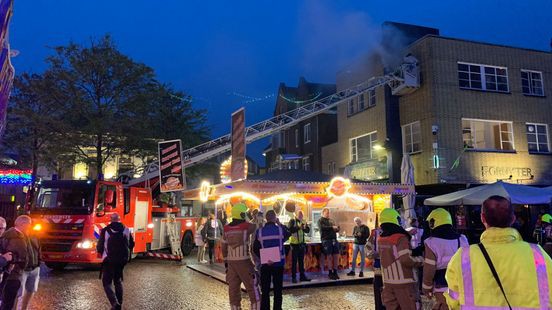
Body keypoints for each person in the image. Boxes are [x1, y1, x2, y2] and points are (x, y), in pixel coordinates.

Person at [445, 195, 552, 309]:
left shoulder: (463, 257)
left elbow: (453, 302)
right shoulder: (538, 254)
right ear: (513, 219)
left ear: (482, 218)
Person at [377, 208, 424, 310]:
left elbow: (392, 255)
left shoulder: (381, 239)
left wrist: (413, 251)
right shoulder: (400, 237)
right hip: (404, 283)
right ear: (396, 219)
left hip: (388, 283)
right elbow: (405, 259)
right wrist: (421, 261)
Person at [422, 208, 468, 310]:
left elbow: (429, 270)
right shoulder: (462, 239)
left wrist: (426, 288)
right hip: (461, 287)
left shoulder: (431, 243)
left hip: (441, 289)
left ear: (432, 223)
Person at [221, 203, 260, 310]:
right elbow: (255, 226)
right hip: (245, 262)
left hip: (231, 264)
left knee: (233, 291)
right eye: (245, 213)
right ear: (242, 215)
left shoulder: (226, 228)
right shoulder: (247, 226)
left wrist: (226, 264)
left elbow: (223, 248)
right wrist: (249, 217)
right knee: (253, 289)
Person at [253, 210, 290, 310]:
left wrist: (264, 257)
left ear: (266, 219)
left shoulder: (260, 231)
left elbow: (255, 248)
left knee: (265, 290)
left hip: (265, 265)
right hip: (278, 265)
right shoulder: (280, 230)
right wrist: (280, 224)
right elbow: (288, 233)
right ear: (274, 218)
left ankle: (265, 308)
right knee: (278, 290)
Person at [96, 213, 135, 310]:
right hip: (121, 260)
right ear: (119, 219)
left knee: (106, 283)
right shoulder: (126, 229)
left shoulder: (106, 230)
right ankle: (119, 304)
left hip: (108, 260)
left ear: (111, 220)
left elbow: (100, 246)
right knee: (117, 281)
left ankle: (114, 303)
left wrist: (100, 252)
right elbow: (131, 244)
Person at [0, 215, 34, 310]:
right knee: (8, 303)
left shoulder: (17, 236)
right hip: (12, 275)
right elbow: (15, 256)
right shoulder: (16, 238)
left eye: (3, 228)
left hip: (10, 274)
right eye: (29, 224)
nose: (2, 231)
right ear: (23, 224)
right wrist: (7, 260)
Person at [287, 210, 311, 283]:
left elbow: (307, 231)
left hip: (301, 244)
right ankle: (294, 278)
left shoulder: (303, 221)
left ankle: (302, 276)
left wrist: (306, 227)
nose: (301, 216)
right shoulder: (292, 221)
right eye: (300, 215)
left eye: (302, 215)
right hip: (294, 244)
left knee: (301, 262)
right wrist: (298, 227)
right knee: (294, 262)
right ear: (296, 215)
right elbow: (290, 230)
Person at [318, 207, 340, 280]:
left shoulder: (331, 220)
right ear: (323, 213)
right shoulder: (320, 220)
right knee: (329, 256)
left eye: (329, 213)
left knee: (336, 256)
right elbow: (322, 228)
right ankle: (330, 272)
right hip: (326, 240)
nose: (328, 214)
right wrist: (332, 227)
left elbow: (334, 229)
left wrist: (337, 229)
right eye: (327, 213)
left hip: (334, 239)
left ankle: (335, 271)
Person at [367, 215, 384, 310]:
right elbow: (368, 249)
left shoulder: (398, 235)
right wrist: (374, 254)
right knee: (379, 297)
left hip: (388, 273)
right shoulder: (375, 233)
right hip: (380, 272)